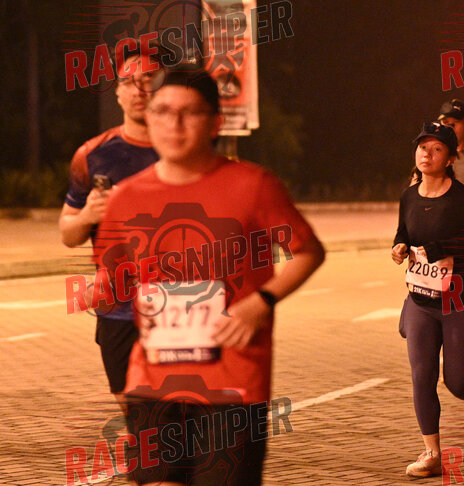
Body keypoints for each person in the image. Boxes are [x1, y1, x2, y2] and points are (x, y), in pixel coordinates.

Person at [94, 65, 325, 485]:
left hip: (232, 381)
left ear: (215, 122)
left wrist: (261, 302)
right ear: (149, 116)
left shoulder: (253, 185)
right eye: (163, 110)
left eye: (190, 112)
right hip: (153, 379)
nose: (174, 123)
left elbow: (308, 251)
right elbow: (113, 283)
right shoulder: (125, 198)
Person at [392, 122, 464, 478]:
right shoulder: (409, 196)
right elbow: (404, 232)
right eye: (422, 147)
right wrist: (398, 247)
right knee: (422, 376)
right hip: (421, 300)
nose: (426, 153)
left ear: (451, 158)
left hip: (460, 299)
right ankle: (432, 453)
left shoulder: (463, 199)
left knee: (456, 380)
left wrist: (446, 248)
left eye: (436, 149)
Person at [59, 44, 162, 409]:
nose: (139, 89)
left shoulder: (186, 150)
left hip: (180, 303)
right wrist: (88, 215)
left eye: (149, 79)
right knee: (130, 403)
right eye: (129, 81)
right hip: (117, 307)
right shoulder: (93, 154)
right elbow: (68, 233)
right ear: (117, 92)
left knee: (177, 405)